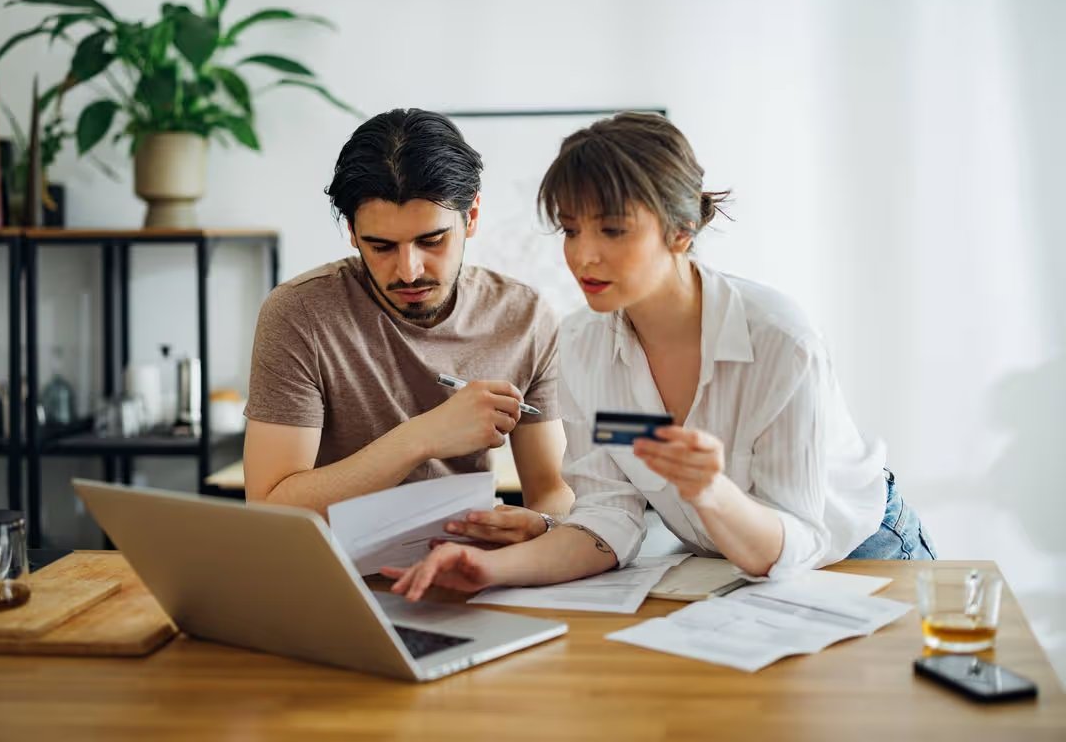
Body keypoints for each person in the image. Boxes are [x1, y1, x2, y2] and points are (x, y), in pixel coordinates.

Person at [385, 112, 936, 600]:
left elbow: (796, 539)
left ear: (682, 229)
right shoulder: (580, 342)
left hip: (858, 555)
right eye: (571, 230)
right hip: (724, 569)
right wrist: (490, 568)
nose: (583, 254)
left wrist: (710, 491)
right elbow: (608, 519)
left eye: (613, 230)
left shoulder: (780, 340)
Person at [242, 108, 573, 539]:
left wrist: (541, 524)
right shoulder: (299, 314)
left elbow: (552, 490)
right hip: (336, 577)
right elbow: (269, 512)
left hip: (469, 571)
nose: (409, 270)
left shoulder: (524, 318)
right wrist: (423, 437)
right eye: (380, 246)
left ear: (471, 216)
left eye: (432, 240)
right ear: (352, 232)